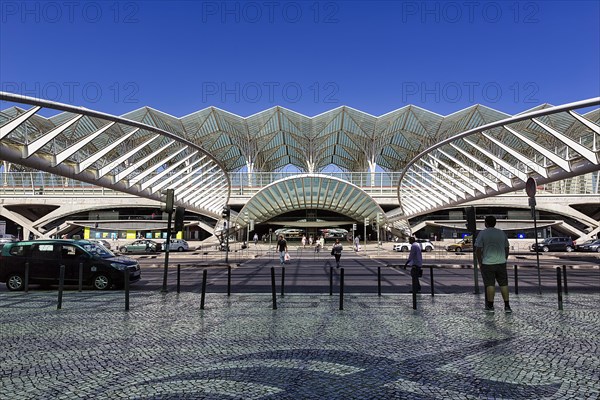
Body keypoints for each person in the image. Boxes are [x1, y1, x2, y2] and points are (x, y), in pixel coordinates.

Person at [475, 215, 511, 313]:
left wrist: (480, 262)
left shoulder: (482, 233)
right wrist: (504, 258)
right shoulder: (501, 233)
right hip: (501, 262)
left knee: (490, 284)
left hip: (487, 263)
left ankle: (490, 306)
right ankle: (507, 306)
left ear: (485, 223)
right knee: (504, 284)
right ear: (495, 223)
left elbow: (478, 249)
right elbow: (507, 247)